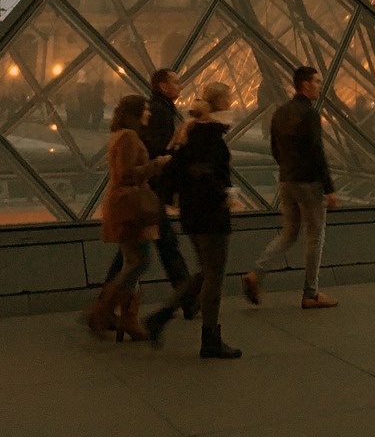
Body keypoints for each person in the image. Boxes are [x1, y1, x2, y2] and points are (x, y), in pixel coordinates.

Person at [145, 83, 242, 359]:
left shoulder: (189, 132)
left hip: (191, 212)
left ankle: (163, 315)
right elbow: (207, 173)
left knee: (205, 271)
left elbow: (175, 170)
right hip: (210, 212)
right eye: (230, 100)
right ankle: (209, 338)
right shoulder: (210, 136)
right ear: (222, 103)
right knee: (214, 274)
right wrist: (225, 192)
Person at [101, 69, 198, 317]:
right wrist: (169, 153)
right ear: (163, 86)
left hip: (141, 197)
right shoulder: (158, 117)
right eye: (176, 81)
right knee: (155, 252)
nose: (181, 85)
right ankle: (105, 308)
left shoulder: (145, 122)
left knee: (136, 254)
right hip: (145, 197)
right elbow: (144, 161)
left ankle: (109, 306)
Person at [242, 65, 340, 309]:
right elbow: (317, 152)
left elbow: (274, 148)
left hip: (287, 180)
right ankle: (311, 292)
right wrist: (329, 188)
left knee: (289, 233)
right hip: (309, 182)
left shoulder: (281, 112)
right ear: (305, 84)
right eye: (316, 82)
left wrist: (286, 168)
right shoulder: (309, 114)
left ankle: (257, 273)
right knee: (315, 237)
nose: (319, 85)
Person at [85, 94, 172, 341]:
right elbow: (126, 174)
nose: (148, 113)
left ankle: (127, 318)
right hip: (129, 206)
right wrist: (157, 164)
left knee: (131, 261)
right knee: (139, 261)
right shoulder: (129, 137)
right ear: (133, 113)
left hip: (124, 204)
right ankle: (103, 311)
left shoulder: (120, 135)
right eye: (144, 110)